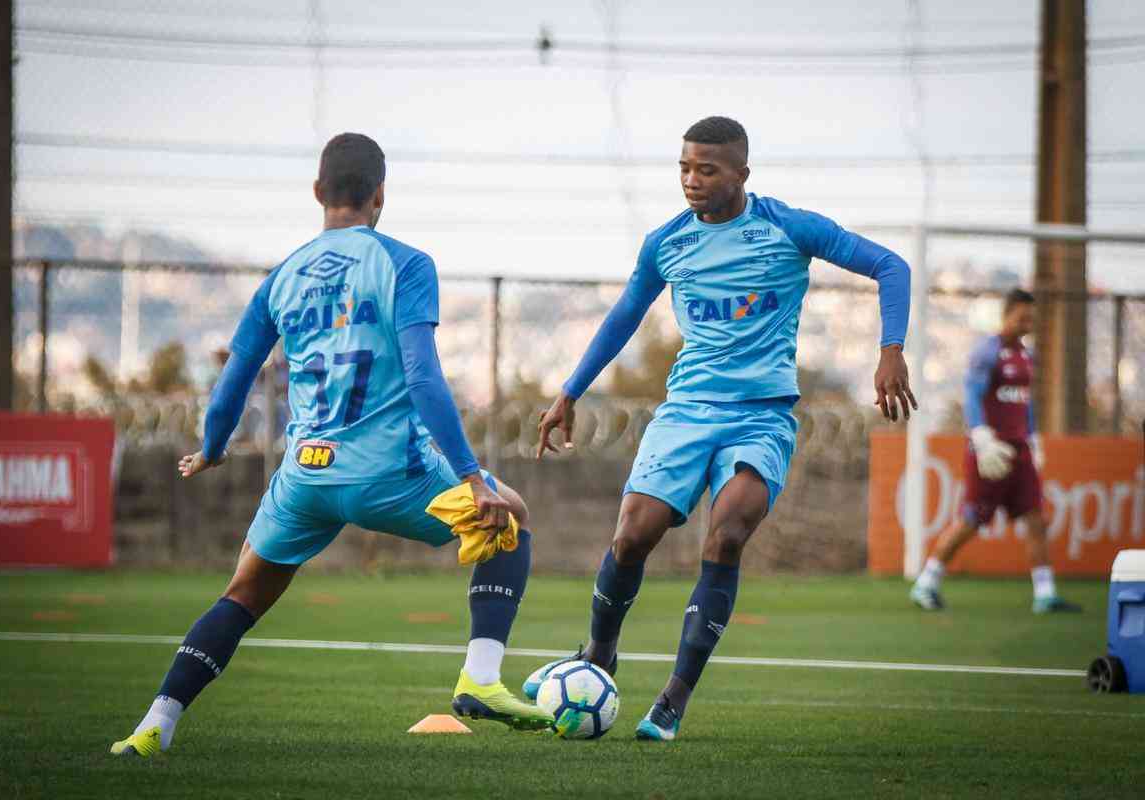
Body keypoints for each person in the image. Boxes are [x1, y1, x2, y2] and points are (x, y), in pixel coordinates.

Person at [111, 133, 550, 757]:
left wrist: (211, 447)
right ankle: (480, 678)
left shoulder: (280, 278)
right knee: (514, 516)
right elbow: (424, 377)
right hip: (390, 474)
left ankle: (156, 724)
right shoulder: (405, 262)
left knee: (242, 594)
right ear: (379, 196)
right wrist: (472, 475)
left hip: (306, 477)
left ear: (318, 193)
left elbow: (236, 376)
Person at [531, 116, 915, 742]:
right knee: (632, 536)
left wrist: (891, 348)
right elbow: (626, 313)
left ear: (741, 173)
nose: (691, 180)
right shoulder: (667, 243)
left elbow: (890, 266)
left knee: (728, 532)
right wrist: (570, 391)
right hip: (684, 414)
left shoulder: (788, 227)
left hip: (761, 418)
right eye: (684, 167)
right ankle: (599, 655)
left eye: (706, 169)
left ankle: (675, 697)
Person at [909, 289, 1081, 614]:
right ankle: (925, 583)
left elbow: (1024, 403)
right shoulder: (988, 352)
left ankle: (1045, 594)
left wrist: (1033, 439)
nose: (1028, 322)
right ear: (1007, 315)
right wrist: (981, 435)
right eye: (1022, 317)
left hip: (1020, 451)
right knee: (972, 519)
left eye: (1031, 317)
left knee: (1036, 517)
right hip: (991, 452)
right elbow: (973, 395)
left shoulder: (1026, 357)